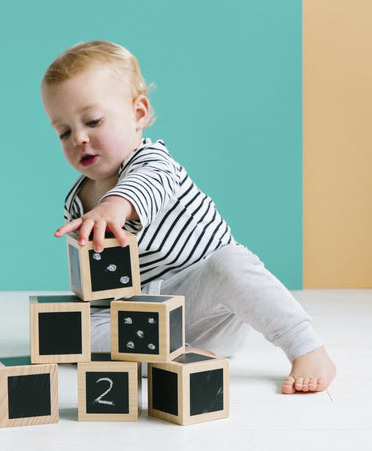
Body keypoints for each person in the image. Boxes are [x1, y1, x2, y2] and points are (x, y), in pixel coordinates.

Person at [40, 40, 336, 394]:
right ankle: (170, 354)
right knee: (66, 328)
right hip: (141, 316)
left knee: (231, 263)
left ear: (138, 114)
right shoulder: (77, 203)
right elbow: (97, 283)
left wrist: (112, 207)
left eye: (93, 121)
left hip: (203, 300)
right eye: (64, 131)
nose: (80, 138)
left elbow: (141, 189)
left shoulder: (154, 162)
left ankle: (305, 346)